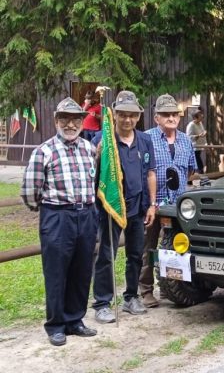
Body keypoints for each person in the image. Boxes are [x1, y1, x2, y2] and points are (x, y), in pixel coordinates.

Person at [21, 97, 98, 346]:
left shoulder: (89, 149)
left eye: (76, 118)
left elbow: (93, 183)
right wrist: (49, 211)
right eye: (64, 118)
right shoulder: (43, 151)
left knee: (82, 269)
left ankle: (75, 320)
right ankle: (55, 325)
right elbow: (30, 192)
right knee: (56, 273)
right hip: (57, 217)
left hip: (86, 215)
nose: (70, 124)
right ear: (56, 121)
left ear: (82, 121)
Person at [92, 90, 157, 323]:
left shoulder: (145, 140)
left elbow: (150, 173)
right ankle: (102, 303)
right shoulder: (103, 141)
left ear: (138, 117)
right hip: (111, 209)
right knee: (106, 256)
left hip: (138, 208)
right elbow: (94, 174)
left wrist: (152, 204)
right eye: (122, 115)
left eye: (132, 115)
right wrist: (97, 156)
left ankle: (131, 297)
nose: (127, 119)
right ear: (115, 115)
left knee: (136, 254)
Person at [139, 94, 197, 307]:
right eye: (166, 114)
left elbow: (191, 170)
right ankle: (145, 290)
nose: (171, 117)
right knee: (148, 248)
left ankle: (171, 287)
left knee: (176, 247)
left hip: (178, 205)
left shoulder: (185, 140)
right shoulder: (146, 138)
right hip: (152, 204)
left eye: (174, 114)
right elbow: (140, 170)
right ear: (156, 117)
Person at [186, 109, 207, 174]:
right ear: (195, 117)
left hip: (199, 146)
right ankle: (202, 177)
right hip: (193, 147)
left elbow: (202, 132)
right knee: (197, 162)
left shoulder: (200, 123)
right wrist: (197, 136)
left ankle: (190, 179)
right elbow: (188, 137)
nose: (202, 116)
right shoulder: (191, 125)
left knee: (195, 163)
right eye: (200, 115)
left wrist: (206, 142)